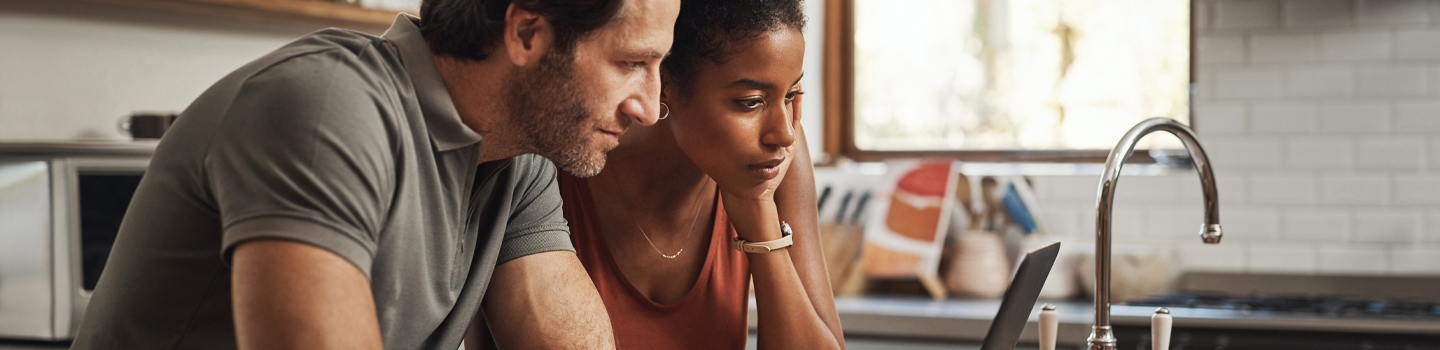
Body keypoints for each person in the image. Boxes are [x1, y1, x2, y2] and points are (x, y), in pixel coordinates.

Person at [71, 0, 678, 349]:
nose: (650, 107)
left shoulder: (517, 157)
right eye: (632, 63)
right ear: (525, 33)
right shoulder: (325, 106)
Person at [473, 0, 844, 348]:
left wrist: (760, 218)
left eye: (793, 94)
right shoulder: (556, 155)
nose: (785, 133)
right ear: (666, 83)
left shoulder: (775, 162)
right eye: (750, 102)